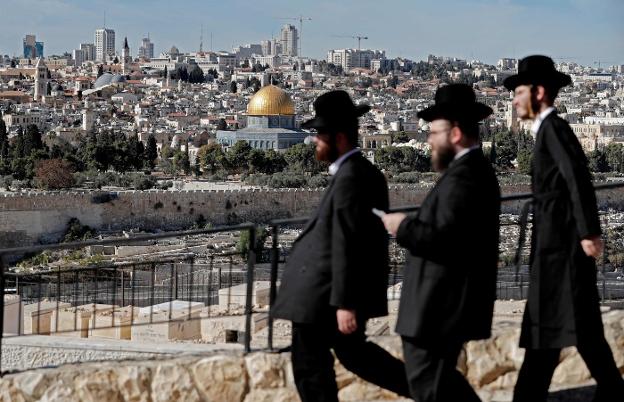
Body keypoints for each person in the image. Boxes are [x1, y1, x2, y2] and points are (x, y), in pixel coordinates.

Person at [270, 90, 410, 402]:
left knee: (312, 370)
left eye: (320, 133)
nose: (315, 140)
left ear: (340, 137)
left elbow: (351, 241)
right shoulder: (354, 173)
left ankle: (435, 390)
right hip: (327, 294)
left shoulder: (352, 177)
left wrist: (347, 303)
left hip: (324, 297)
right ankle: (433, 390)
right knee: (352, 357)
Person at [504, 55, 624, 402]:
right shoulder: (549, 130)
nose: (514, 100)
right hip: (558, 254)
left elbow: (577, 179)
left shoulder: (553, 129)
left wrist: (589, 232)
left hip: (561, 256)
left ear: (538, 92)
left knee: (552, 342)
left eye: (519, 91)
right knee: (580, 338)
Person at [382, 83, 500, 402]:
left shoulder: (465, 177)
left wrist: (403, 226)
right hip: (441, 306)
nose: (429, 141)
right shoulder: (469, 172)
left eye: (433, 133)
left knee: (430, 386)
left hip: (439, 308)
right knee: (441, 385)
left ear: (456, 133)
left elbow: (446, 240)